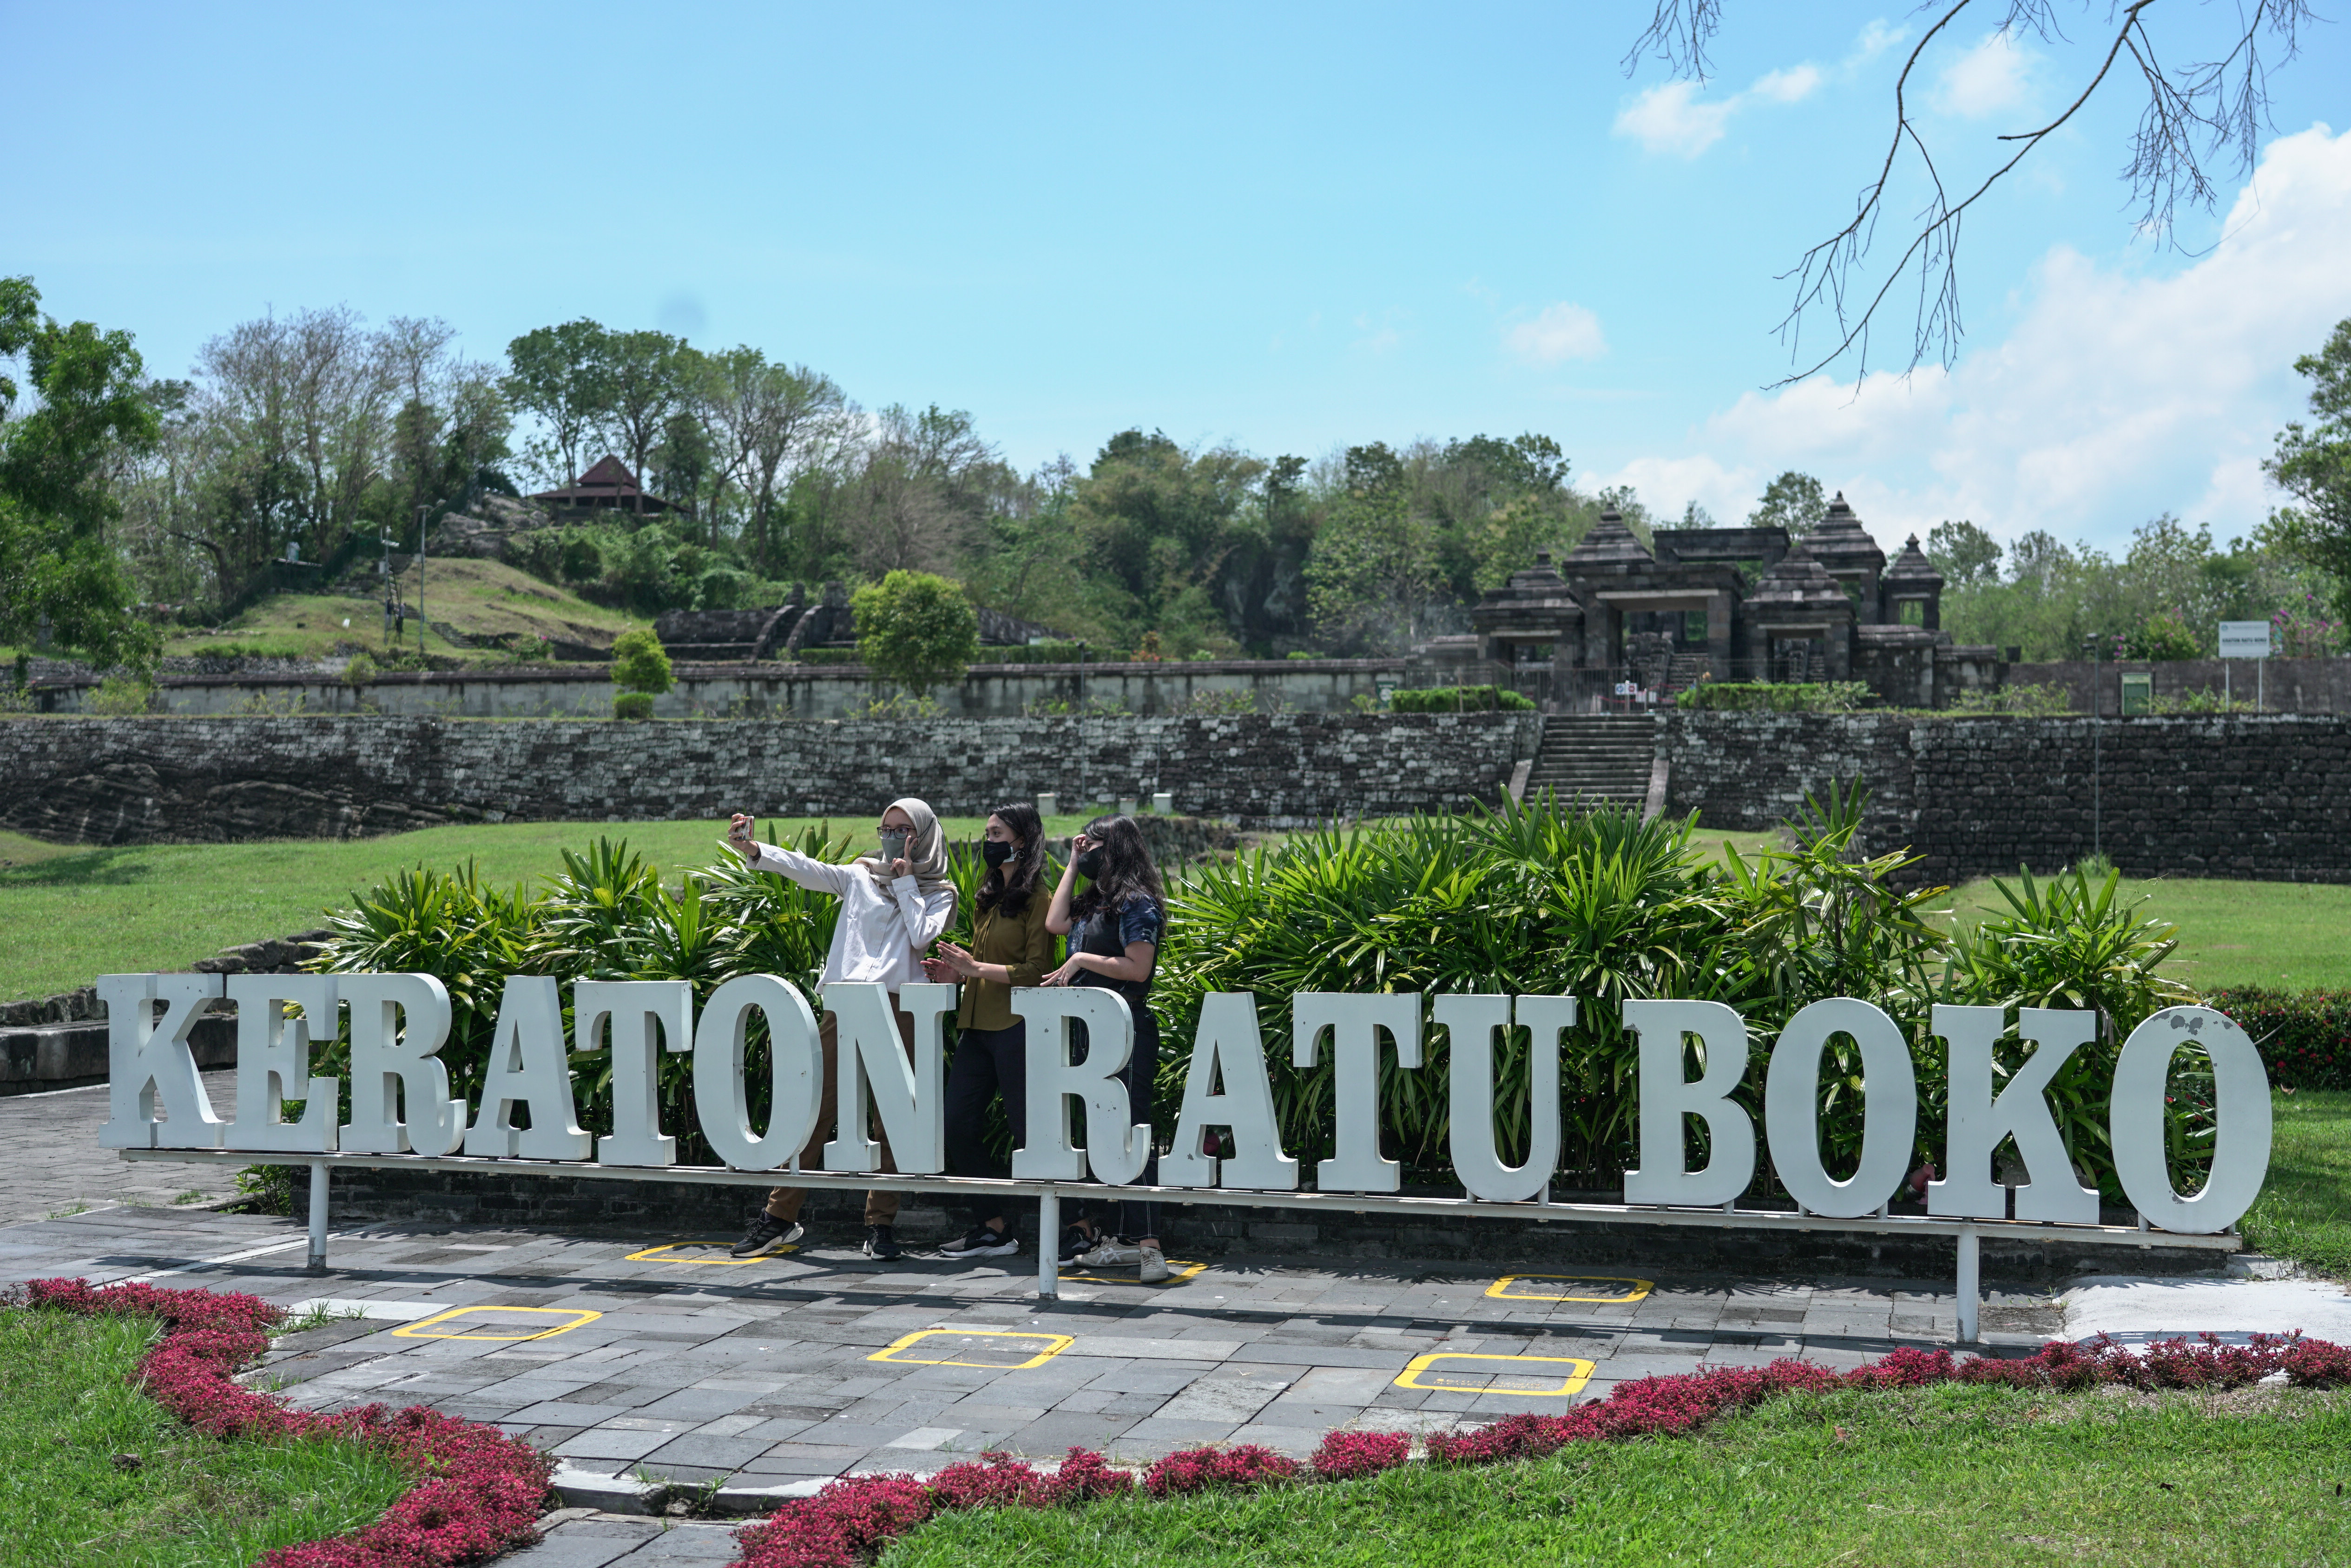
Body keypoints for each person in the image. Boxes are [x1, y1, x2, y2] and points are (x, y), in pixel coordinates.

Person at [723, 798, 956, 1261]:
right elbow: (806, 868)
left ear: (924, 836)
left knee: (892, 1119)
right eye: (886, 828)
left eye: (904, 830)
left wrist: (906, 877)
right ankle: (779, 1218)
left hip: (901, 1006)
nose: (892, 837)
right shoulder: (859, 877)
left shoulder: (938, 892)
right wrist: (753, 848)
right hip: (846, 1005)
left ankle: (880, 1225)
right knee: (816, 1107)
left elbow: (922, 937)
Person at [922, 802, 1056, 1259]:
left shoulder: (1040, 900)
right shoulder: (987, 897)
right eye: (987, 832)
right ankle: (994, 1225)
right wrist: (956, 975)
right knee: (957, 1125)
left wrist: (974, 966)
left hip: (1018, 1028)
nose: (988, 840)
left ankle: (1075, 1224)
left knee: (1030, 1132)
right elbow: (984, 968)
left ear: (1020, 840)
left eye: (996, 832)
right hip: (976, 1027)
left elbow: (1039, 970)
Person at [1045, 813, 1171, 1284]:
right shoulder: (1094, 902)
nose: (1086, 849)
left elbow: (1138, 968)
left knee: (1131, 1130)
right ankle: (1116, 1238)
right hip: (1089, 1033)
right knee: (1099, 1134)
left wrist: (1080, 959)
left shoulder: (1136, 904)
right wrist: (1074, 863)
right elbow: (1054, 922)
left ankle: (1149, 1246)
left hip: (1127, 1030)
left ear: (1116, 848)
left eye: (1094, 844)